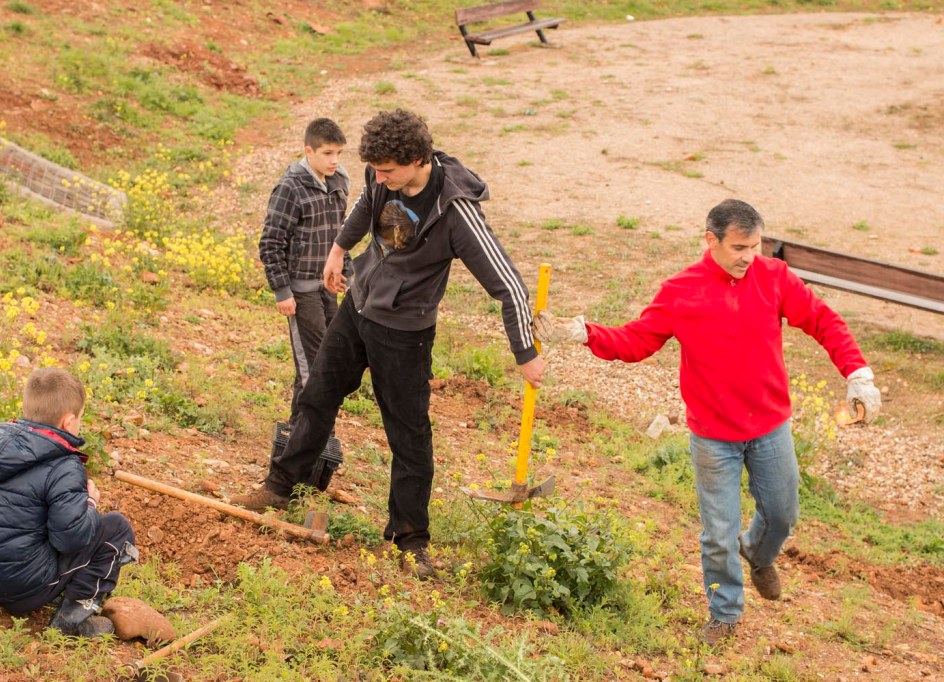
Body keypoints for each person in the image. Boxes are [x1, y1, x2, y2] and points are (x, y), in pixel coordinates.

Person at [532, 199, 881, 645]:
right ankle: (725, 613)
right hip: (713, 436)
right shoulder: (682, 291)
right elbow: (637, 341)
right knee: (718, 534)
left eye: (755, 246)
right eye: (739, 247)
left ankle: (757, 552)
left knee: (782, 514)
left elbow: (824, 321)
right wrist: (585, 333)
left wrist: (858, 374)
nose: (748, 257)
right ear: (711, 240)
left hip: (770, 426)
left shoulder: (774, 277)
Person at [232, 109, 546, 579]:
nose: (378, 178)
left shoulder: (456, 211)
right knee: (317, 394)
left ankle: (410, 540)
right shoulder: (381, 177)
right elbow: (366, 205)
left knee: (408, 434)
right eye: (374, 170)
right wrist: (339, 250)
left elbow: (509, 285)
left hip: (405, 332)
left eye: (387, 171)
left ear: (417, 160)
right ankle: (280, 486)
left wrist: (526, 354)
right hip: (358, 306)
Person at [0, 367, 138, 637]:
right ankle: (72, 620)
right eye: (79, 418)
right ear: (68, 422)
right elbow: (71, 540)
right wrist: (89, 503)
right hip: (22, 589)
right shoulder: (63, 465)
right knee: (116, 528)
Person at [259, 117, 350, 432]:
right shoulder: (290, 187)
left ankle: (298, 431)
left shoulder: (339, 181)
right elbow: (271, 242)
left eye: (339, 153)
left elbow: (341, 235)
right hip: (301, 292)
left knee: (324, 360)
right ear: (308, 151)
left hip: (328, 288)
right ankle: (315, 436)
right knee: (314, 366)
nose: (334, 160)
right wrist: (282, 291)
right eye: (327, 153)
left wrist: (347, 272)